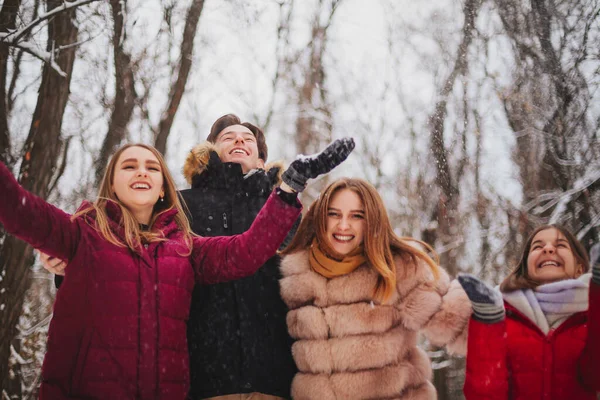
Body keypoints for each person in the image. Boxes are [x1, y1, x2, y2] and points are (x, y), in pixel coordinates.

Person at [0, 139, 353, 399]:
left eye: (152, 167)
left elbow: (247, 251)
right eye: (129, 166)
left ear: (162, 189)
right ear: (112, 183)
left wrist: (290, 186)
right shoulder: (80, 234)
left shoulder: (185, 248)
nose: (142, 171)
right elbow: (17, 208)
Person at [43, 114, 301, 399]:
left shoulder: (285, 209)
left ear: (262, 159)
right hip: (201, 378)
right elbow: (128, 254)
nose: (239, 140)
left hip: (275, 377)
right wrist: (70, 265)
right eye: (228, 137)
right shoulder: (178, 207)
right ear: (210, 150)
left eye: (247, 139)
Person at [278, 178, 472, 399]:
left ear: (371, 220)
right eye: (334, 214)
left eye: (356, 216)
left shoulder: (397, 270)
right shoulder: (297, 276)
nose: (343, 225)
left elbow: (454, 322)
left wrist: (496, 311)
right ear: (321, 218)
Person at [458, 224, 600, 399]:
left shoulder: (591, 313)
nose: (548, 249)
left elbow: (596, 378)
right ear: (526, 268)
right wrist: (487, 321)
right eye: (538, 246)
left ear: (579, 267)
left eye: (560, 245)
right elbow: (485, 394)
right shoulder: (504, 315)